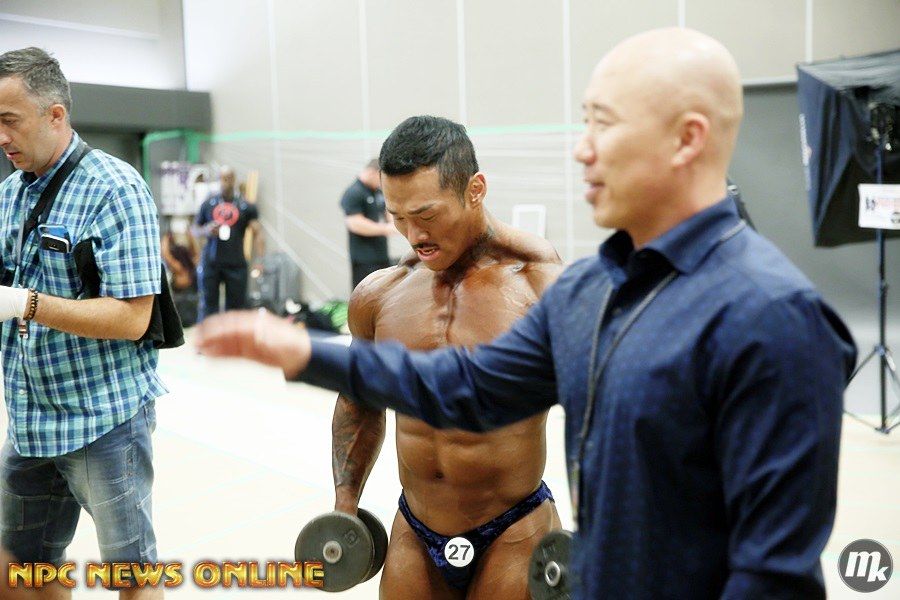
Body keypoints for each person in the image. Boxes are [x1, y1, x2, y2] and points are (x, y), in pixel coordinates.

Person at [196, 29, 858, 599]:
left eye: (603, 124)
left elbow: (772, 575)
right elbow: (469, 387)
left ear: (687, 139)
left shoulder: (774, 318)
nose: (581, 149)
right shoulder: (594, 289)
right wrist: (305, 353)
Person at [0, 47, 166, 599]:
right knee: (26, 571)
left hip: (104, 419)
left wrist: (27, 304)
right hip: (30, 420)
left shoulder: (115, 189)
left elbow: (134, 317)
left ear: (55, 115)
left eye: (9, 120)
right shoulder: (8, 194)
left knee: (132, 577)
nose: (1, 137)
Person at [193, 166, 262, 319]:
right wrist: (207, 230)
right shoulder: (208, 204)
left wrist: (259, 260)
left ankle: (234, 333)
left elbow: (257, 232)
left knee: (236, 309)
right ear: (219, 180)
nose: (226, 183)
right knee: (208, 306)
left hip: (236, 263)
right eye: (223, 179)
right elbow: (195, 229)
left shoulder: (245, 206)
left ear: (234, 180)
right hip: (211, 262)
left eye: (229, 179)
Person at [341, 158, 395, 288]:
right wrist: (386, 229)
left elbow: (387, 210)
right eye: (380, 178)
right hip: (364, 259)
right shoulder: (354, 192)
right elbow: (355, 224)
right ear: (372, 173)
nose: (381, 183)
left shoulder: (377, 191)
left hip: (381, 254)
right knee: (365, 294)